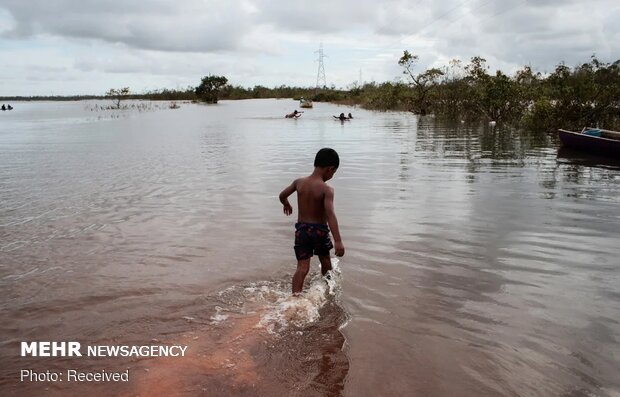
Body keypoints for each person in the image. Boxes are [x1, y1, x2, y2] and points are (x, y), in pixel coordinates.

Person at [279, 148, 345, 294]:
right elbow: (330, 214)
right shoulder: (327, 189)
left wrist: (286, 203)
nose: (332, 175)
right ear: (330, 169)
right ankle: (329, 291)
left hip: (302, 230)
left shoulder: (299, 183)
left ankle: (295, 298)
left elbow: (282, 195)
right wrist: (338, 240)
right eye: (334, 173)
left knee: (302, 268)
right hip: (319, 231)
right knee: (325, 261)